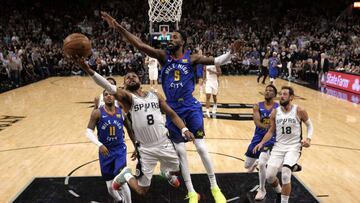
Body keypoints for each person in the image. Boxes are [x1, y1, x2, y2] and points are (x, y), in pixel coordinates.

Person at [100, 11, 241, 203]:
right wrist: (117, 26)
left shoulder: (192, 58)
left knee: (200, 147)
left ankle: (215, 187)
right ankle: (191, 192)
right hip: (173, 108)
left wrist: (231, 52)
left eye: (174, 37)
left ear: (182, 42)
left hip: (191, 106)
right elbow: (139, 44)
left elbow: (217, 61)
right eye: (170, 37)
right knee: (181, 152)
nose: (170, 39)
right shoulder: (162, 56)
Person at [74, 58, 195, 197]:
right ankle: (126, 175)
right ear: (124, 85)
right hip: (146, 149)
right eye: (127, 78)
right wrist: (89, 70)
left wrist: (184, 129)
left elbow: (172, 114)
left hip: (164, 143)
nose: (131, 78)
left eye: (134, 76)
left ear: (140, 80)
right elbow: (107, 86)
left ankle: (166, 173)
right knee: (141, 191)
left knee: (178, 168)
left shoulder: (155, 95)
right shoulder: (127, 98)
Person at [253, 86, 313, 203]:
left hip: (294, 147)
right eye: (281, 94)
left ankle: (284, 201)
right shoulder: (275, 112)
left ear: (291, 97)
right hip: (279, 146)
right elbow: (271, 131)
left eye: (285, 94)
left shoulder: (299, 110)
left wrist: (308, 139)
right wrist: (261, 142)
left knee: (286, 173)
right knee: (270, 176)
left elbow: (310, 125)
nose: (282, 96)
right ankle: (280, 191)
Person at [86, 89, 132, 203]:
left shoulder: (120, 112)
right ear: (103, 97)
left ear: (114, 97)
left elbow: (130, 130)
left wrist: (136, 146)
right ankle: (119, 200)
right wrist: (99, 144)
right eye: (106, 94)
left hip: (119, 149)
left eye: (111, 94)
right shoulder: (97, 112)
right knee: (110, 187)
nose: (109, 96)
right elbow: (88, 132)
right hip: (105, 151)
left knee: (122, 179)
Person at [244, 85, 279, 200]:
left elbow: (276, 126)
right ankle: (256, 161)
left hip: (270, 138)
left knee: (263, 163)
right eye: (266, 90)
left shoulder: (278, 108)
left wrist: (271, 129)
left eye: (270, 91)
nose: (267, 92)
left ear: (274, 94)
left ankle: (262, 189)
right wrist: (269, 126)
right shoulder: (257, 106)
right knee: (247, 165)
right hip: (258, 137)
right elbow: (257, 122)